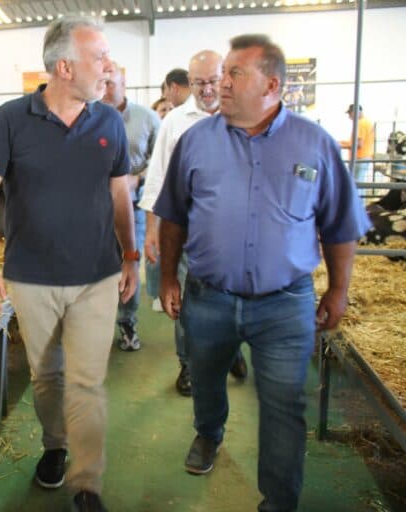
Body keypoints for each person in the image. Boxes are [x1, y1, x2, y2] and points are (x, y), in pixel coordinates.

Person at [153, 34, 370, 511]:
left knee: (284, 406)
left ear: (272, 84)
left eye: (235, 73)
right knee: (205, 381)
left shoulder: (314, 144)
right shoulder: (195, 140)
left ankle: (279, 501)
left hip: (284, 302)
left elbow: (341, 226)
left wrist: (338, 290)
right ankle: (208, 434)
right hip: (208, 297)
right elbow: (173, 217)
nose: (220, 84)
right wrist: (168, 278)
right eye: (222, 73)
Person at [0, 15, 137, 512]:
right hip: (32, 277)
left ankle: (86, 483)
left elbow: (120, 194)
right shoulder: (12, 119)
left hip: (97, 275)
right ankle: (55, 444)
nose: (109, 66)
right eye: (99, 57)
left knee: (87, 378)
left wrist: (130, 255)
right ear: (64, 67)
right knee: (48, 378)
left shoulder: (108, 120)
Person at [140, 50, 247, 396]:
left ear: (226, 77)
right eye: (198, 82)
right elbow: (157, 178)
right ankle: (187, 365)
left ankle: (230, 350)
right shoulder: (175, 121)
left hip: (235, 233)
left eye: (212, 81)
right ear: (189, 83)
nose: (206, 89)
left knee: (235, 297)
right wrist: (152, 229)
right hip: (186, 231)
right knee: (184, 300)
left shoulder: (245, 115)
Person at [102, 62, 161, 351]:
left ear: (124, 85)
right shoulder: (89, 116)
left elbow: (161, 160)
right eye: (101, 83)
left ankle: (127, 323)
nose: (104, 89)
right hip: (95, 207)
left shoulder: (147, 118)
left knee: (130, 260)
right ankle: (96, 325)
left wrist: (138, 178)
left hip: (133, 204)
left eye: (110, 83)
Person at [339, 104, 375, 196]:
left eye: (350, 114)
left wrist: (343, 146)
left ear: (355, 112)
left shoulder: (360, 124)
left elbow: (359, 144)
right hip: (365, 156)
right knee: (358, 183)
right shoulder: (367, 122)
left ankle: (358, 207)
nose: (349, 117)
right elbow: (355, 142)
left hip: (360, 157)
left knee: (356, 184)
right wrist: (343, 143)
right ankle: (360, 207)